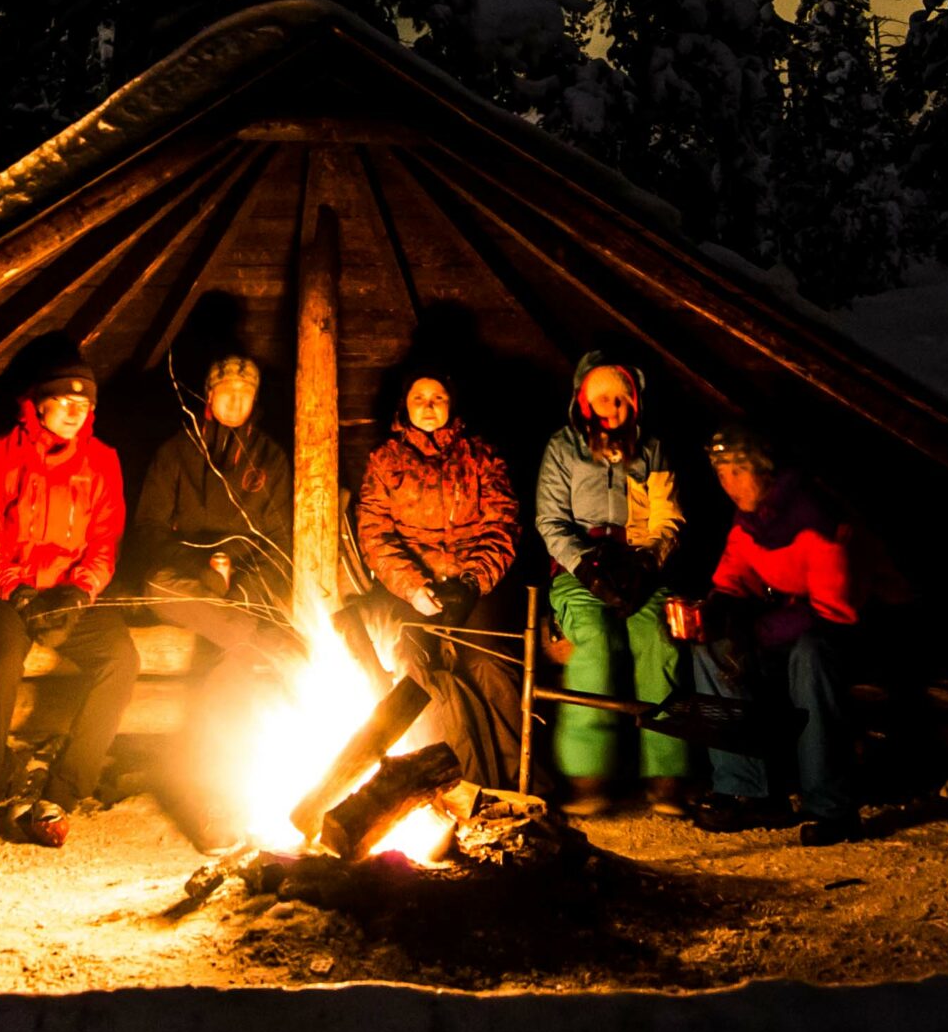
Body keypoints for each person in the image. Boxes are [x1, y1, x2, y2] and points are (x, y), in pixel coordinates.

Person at [0, 343, 135, 847]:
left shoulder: (101, 462)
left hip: (66, 594)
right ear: (39, 403)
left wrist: (80, 592)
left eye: (87, 405)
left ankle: (59, 794)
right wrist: (18, 592)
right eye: (66, 402)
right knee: (5, 663)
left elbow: (104, 541)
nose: (78, 412)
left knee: (121, 659)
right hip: (7, 590)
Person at [687, 419, 864, 845]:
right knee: (709, 648)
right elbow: (733, 575)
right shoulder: (751, 517)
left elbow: (833, 611)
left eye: (736, 469)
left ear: (763, 468)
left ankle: (832, 806)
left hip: (843, 633)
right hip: (784, 630)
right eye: (720, 471)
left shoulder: (813, 513)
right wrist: (714, 611)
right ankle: (747, 789)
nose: (728, 482)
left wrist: (754, 634)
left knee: (810, 657)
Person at [532, 351, 691, 811]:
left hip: (638, 567)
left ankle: (667, 774)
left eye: (620, 399)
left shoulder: (651, 449)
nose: (611, 408)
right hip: (580, 571)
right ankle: (588, 774)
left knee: (658, 641)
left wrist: (647, 564)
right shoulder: (562, 449)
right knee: (595, 644)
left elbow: (666, 518)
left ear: (633, 402)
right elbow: (550, 519)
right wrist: (585, 566)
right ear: (584, 403)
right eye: (602, 399)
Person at [350, 367, 524, 784]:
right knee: (413, 666)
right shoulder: (386, 461)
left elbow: (502, 524)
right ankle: (442, 781)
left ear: (453, 403)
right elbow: (375, 533)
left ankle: (512, 782)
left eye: (438, 398)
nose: (429, 407)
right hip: (411, 591)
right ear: (404, 406)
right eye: (419, 398)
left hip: (472, 588)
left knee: (490, 664)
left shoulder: (482, 457)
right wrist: (413, 588)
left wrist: (473, 582)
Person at [133, 350, 293, 684]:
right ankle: (264, 642)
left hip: (244, 587)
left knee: (228, 665)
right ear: (209, 395)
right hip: (189, 581)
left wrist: (240, 596)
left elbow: (280, 541)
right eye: (226, 393)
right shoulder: (176, 452)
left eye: (244, 394)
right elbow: (149, 528)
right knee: (155, 585)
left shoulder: (270, 457)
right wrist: (203, 572)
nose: (235, 403)